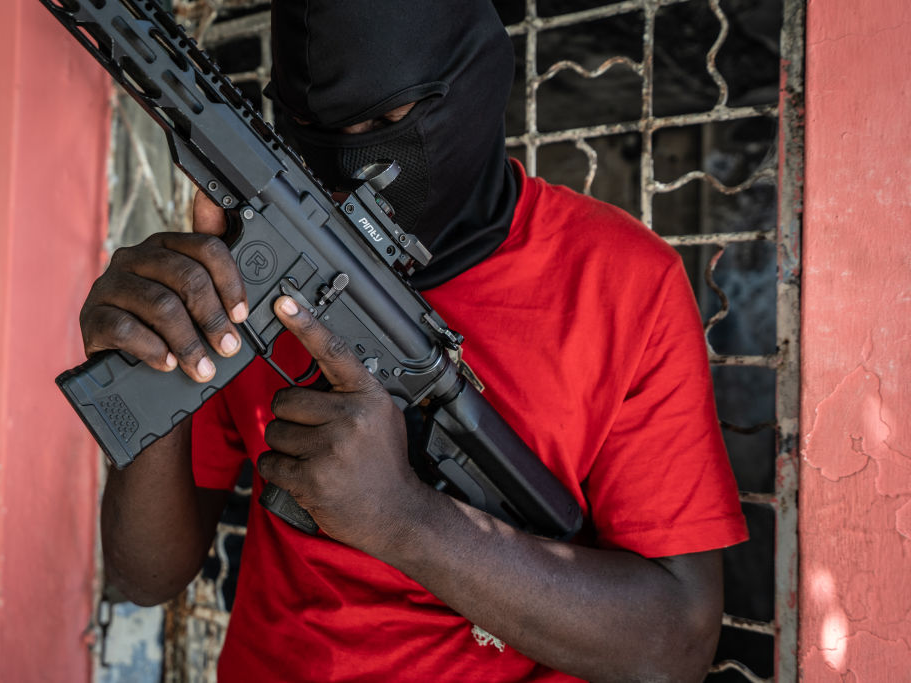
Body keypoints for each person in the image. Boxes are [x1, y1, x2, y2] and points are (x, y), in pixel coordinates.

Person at [84, 1, 748, 680]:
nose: (348, 162)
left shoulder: (624, 284)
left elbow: (678, 641)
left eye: (386, 123)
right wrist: (151, 359)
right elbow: (145, 576)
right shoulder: (249, 270)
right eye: (313, 129)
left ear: (477, 77)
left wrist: (404, 520)